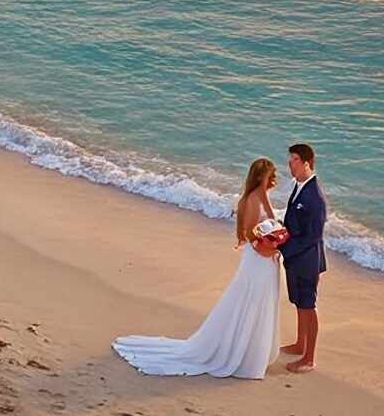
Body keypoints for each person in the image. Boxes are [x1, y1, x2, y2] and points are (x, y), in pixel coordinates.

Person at [113, 158, 282, 379]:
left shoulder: (260, 197)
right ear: (262, 178)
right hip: (259, 258)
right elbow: (252, 236)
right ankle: (245, 354)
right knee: (250, 301)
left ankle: (250, 350)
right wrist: (270, 250)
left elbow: (266, 226)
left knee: (254, 301)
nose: (275, 179)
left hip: (263, 258)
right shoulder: (253, 200)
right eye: (272, 175)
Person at [277, 143, 328, 373]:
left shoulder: (315, 196)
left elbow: (312, 236)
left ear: (306, 163)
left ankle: (309, 358)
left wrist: (284, 248)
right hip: (296, 256)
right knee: (299, 302)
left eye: (294, 160)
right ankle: (300, 344)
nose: (290, 164)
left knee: (309, 304)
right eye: (290, 159)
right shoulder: (299, 186)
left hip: (307, 258)